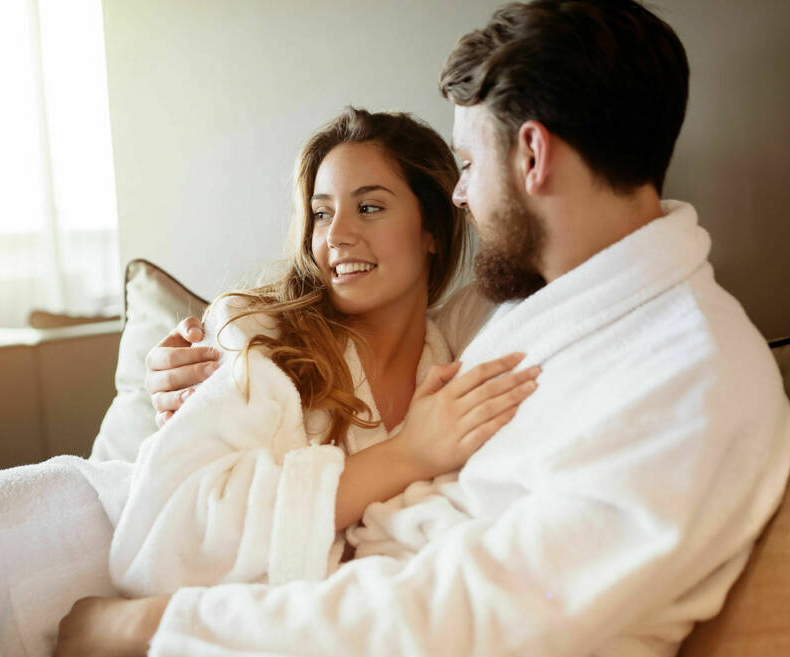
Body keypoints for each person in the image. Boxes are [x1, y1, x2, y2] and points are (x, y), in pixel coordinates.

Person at [0, 1, 789, 657]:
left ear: (530, 151)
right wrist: (202, 367)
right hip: (342, 636)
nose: (466, 196)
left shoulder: (689, 374)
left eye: (465, 166)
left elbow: (468, 625)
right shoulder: (551, 311)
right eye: (322, 212)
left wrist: (152, 624)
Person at [102, 106, 537, 601]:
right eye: (322, 213)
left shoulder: (457, 349)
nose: (336, 236)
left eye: (369, 207)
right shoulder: (253, 332)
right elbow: (178, 539)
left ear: (431, 230)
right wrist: (407, 453)